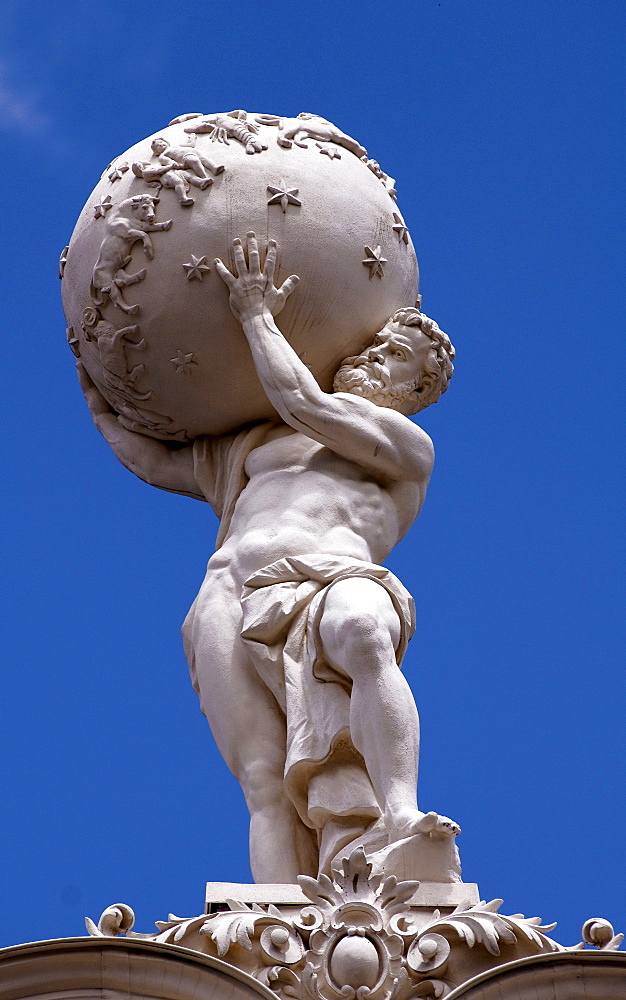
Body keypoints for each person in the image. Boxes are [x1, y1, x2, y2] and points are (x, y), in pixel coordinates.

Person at [78, 232, 459, 882]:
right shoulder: (258, 442)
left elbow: (303, 401)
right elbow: (154, 461)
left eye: (395, 355)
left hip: (333, 579)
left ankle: (402, 818)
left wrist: (255, 314)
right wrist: (101, 379)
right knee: (263, 781)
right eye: (378, 342)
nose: (375, 354)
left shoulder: (401, 442)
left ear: (415, 389)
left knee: (363, 631)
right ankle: (283, 921)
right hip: (229, 593)